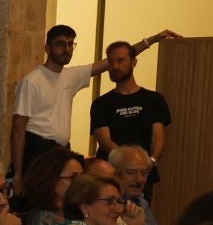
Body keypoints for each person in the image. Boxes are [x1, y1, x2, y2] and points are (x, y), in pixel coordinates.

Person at [10, 25, 177, 174]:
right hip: (37, 151)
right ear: (47, 48)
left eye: (70, 44)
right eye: (60, 44)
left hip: (59, 151)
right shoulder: (32, 81)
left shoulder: (70, 76)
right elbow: (17, 130)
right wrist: (17, 174)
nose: (66, 49)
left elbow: (114, 60)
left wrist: (151, 41)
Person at [91, 42, 172, 164]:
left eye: (120, 60)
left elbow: (157, 136)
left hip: (145, 170)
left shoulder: (154, 99)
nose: (115, 66)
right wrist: (129, 162)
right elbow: (104, 140)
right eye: (111, 62)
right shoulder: (101, 103)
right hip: (111, 171)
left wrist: (151, 161)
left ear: (133, 63)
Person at [17, 147, 82, 225]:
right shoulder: (42, 222)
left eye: (82, 178)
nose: (81, 183)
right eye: (72, 178)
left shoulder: (80, 213)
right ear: (50, 180)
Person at [110, 145, 163, 225]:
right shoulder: (110, 204)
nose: (139, 179)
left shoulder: (141, 201)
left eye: (144, 173)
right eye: (131, 173)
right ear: (115, 175)